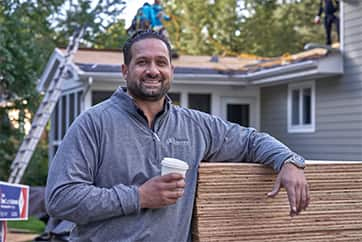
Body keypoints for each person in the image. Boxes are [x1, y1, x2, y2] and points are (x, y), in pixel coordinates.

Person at [45, 30, 310, 242]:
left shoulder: (195, 126)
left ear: (172, 70)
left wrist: (287, 161)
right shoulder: (93, 123)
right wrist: (139, 197)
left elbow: (251, 140)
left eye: (161, 62)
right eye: (142, 62)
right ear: (125, 71)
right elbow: (60, 198)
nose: (153, 70)